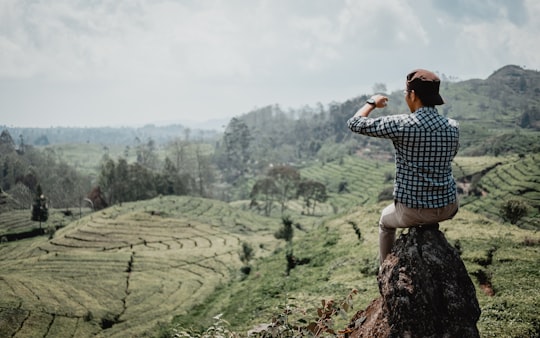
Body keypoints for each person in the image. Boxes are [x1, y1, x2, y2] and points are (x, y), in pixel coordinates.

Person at [347, 69, 460, 266]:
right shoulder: (453, 126)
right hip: (448, 206)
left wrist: (372, 102)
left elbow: (355, 123)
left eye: (406, 93)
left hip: (412, 211)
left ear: (413, 95)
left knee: (385, 222)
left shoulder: (402, 124)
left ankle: (384, 269)